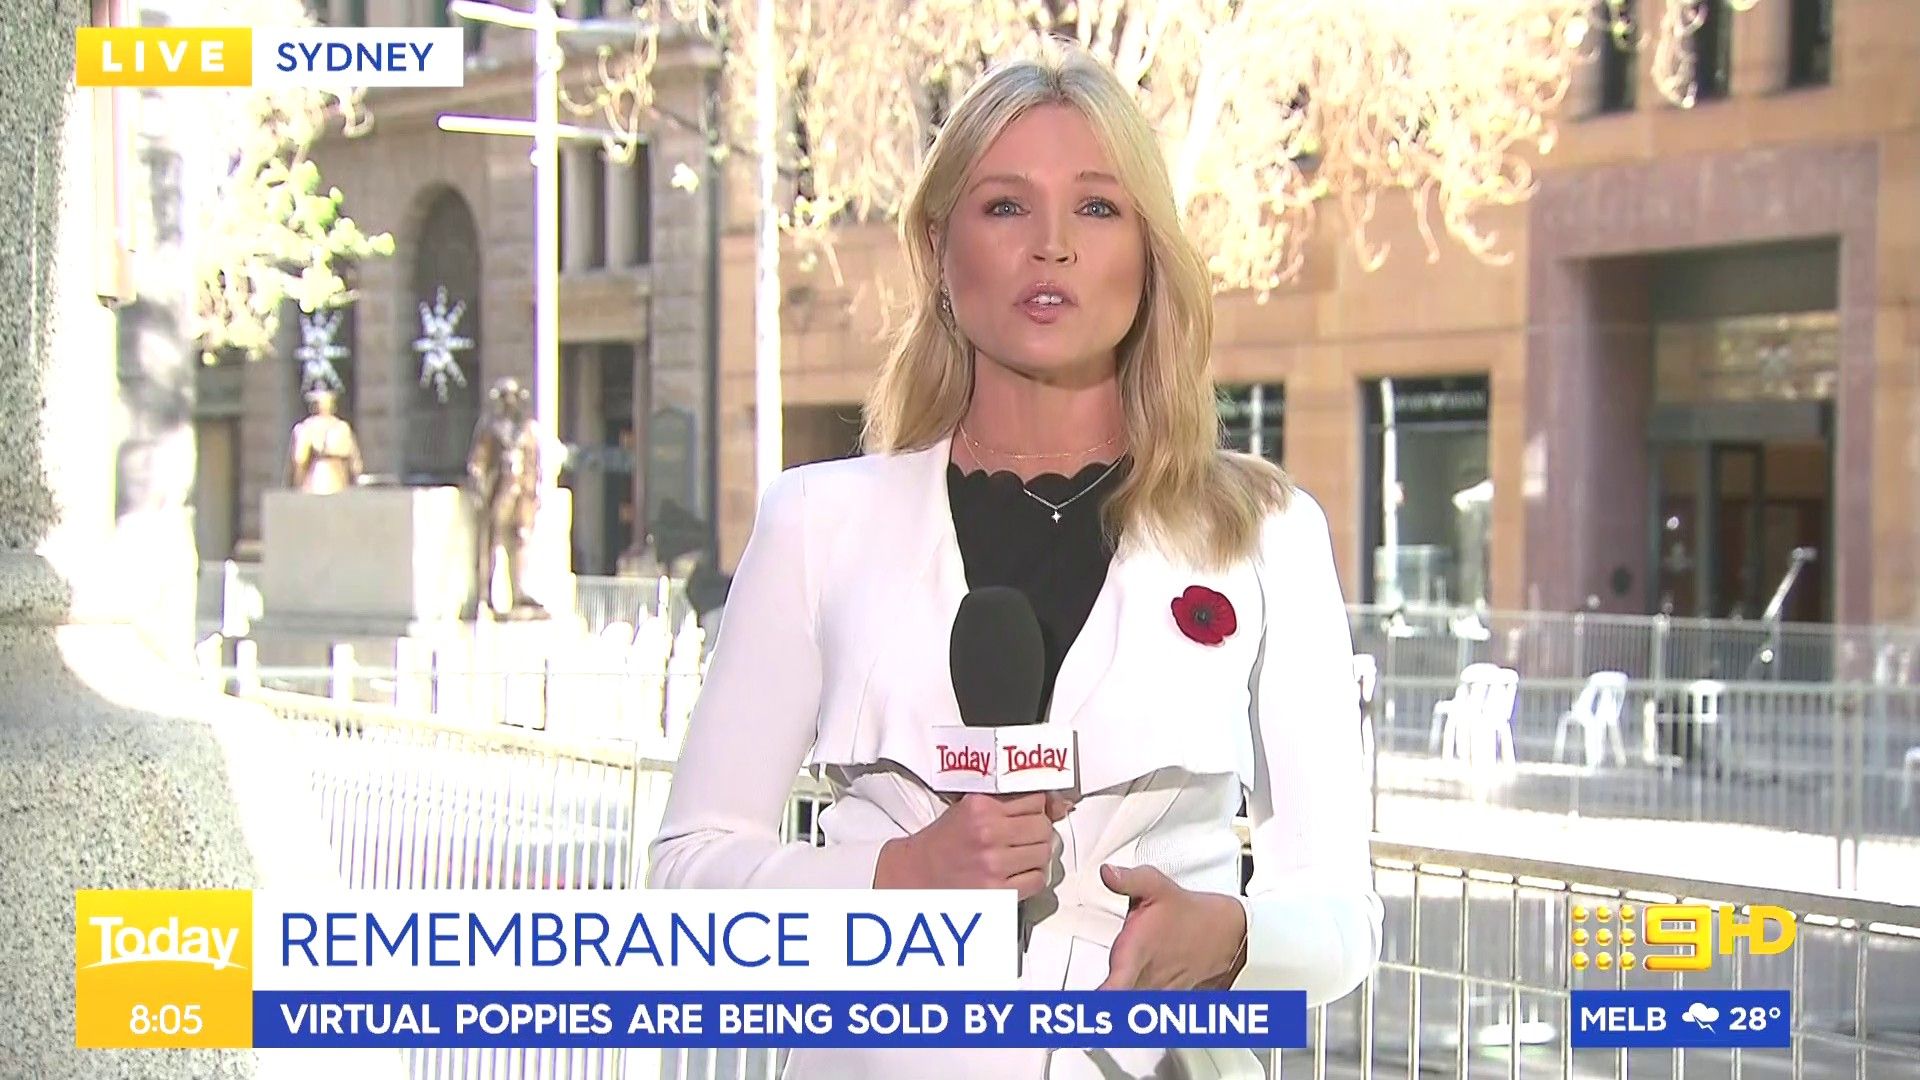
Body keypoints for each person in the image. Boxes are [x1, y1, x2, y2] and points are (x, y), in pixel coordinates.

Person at [648, 39, 1381, 1080]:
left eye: (1097, 207)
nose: (1052, 247)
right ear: (938, 247)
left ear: (1149, 251)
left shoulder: (1269, 533)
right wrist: (896, 878)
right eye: (1005, 207)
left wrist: (1234, 938)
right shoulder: (817, 523)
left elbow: (1344, 917)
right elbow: (686, 877)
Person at [287, 386, 363, 495]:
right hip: (316, 479)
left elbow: (353, 458)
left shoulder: (341, 427)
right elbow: (299, 459)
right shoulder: (306, 428)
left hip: (336, 478)